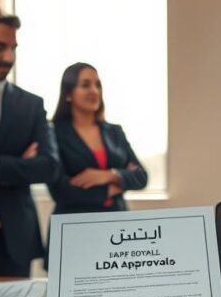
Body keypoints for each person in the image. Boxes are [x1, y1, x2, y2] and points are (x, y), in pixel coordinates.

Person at [0, 5, 60, 277]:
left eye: (13, 48)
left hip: (16, 240)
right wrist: (17, 165)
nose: (9, 57)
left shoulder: (30, 105)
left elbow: (48, 167)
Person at [49, 62, 147, 215]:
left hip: (116, 224)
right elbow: (61, 191)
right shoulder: (53, 133)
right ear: (68, 94)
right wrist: (114, 187)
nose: (94, 91)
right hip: (74, 225)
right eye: (86, 85)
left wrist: (109, 175)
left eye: (98, 85)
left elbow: (141, 176)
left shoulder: (115, 132)